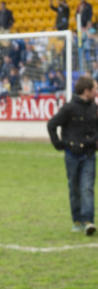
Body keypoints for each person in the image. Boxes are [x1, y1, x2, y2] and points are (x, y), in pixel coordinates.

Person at [47, 75, 97, 236]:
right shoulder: (69, 108)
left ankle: (88, 221)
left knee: (87, 188)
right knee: (74, 188)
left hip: (89, 154)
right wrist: (59, 144)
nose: (97, 91)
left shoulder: (94, 107)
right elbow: (52, 124)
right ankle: (77, 220)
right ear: (86, 90)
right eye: (95, 88)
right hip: (72, 155)